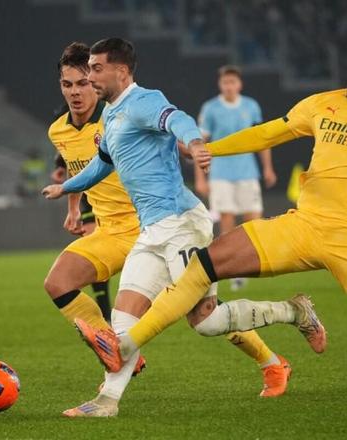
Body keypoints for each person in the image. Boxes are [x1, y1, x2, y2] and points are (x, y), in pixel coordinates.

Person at [74, 40, 347, 403]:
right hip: (302, 225)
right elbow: (270, 132)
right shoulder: (324, 104)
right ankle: (124, 345)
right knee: (206, 263)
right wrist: (209, 148)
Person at [43, 38, 322, 417]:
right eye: (76, 78)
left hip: (182, 224)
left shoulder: (144, 101)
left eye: (93, 71)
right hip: (146, 231)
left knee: (206, 320)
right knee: (122, 315)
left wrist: (194, 142)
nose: (86, 81)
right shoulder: (109, 116)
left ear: (120, 72)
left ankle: (293, 313)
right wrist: (67, 191)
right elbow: (100, 164)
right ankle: (107, 401)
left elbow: (178, 119)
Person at [44, 42, 146, 387]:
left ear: (96, 82)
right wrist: (73, 208)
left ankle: (271, 362)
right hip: (109, 233)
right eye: (67, 84)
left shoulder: (118, 118)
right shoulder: (57, 130)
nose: (75, 92)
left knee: (204, 314)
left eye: (83, 83)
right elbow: (78, 169)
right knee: (57, 282)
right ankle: (116, 347)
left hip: (148, 229)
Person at [194, 65, 277, 291]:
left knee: (254, 221)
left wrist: (268, 168)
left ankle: (253, 264)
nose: (229, 86)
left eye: (232, 82)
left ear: (239, 84)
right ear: (220, 84)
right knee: (227, 223)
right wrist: (201, 178)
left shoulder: (251, 106)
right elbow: (200, 145)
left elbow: (262, 139)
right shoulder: (211, 108)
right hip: (220, 173)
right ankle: (232, 270)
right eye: (225, 82)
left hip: (248, 171)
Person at [51, 152, 112, 320]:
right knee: (96, 254)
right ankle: (105, 313)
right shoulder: (65, 136)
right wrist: (61, 165)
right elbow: (72, 150)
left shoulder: (106, 135)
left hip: (113, 195)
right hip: (88, 197)